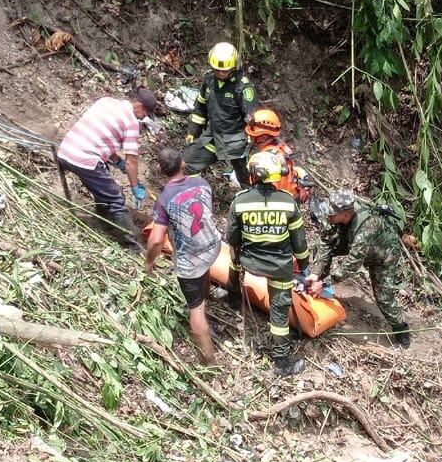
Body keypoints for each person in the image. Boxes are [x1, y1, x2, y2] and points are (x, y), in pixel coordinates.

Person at [227, 151, 310, 377]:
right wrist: (304, 267)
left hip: (249, 262)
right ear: (274, 176)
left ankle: (233, 296)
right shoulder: (288, 202)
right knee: (279, 313)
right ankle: (282, 362)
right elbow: (299, 242)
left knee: (234, 258)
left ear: (252, 175)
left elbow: (232, 239)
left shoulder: (240, 201)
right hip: (279, 267)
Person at [56, 88, 159, 252]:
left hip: (66, 151)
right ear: (138, 106)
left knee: (104, 187)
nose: (142, 118)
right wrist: (134, 186)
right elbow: (132, 160)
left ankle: (103, 221)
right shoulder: (131, 122)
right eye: (144, 113)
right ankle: (133, 246)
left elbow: (100, 136)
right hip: (85, 160)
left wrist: (117, 162)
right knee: (116, 199)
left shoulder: (105, 102)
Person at [145, 149, 220, 365]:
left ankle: (209, 361)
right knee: (202, 272)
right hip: (213, 246)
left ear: (160, 170)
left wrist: (149, 263)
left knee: (195, 310)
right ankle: (207, 299)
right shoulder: (202, 183)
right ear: (183, 164)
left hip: (192, 259)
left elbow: (157, 240)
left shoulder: (164, 199)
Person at [309, 190, 411, 348]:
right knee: (319, 248)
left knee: (384, 297)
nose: (329, 217)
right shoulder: (337, 214)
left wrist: (326, 283)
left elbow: (352, 265)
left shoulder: (366, 227)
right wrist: (316, 274)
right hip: (353, 241)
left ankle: (401, 331)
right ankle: (319, 293)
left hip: (383, 254)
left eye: (332, 214)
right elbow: (325, 243)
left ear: (344, 214)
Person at [183, 42, 258, 188]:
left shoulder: (243, 87)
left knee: (248, 182)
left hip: (236, 141)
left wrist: (250, 141)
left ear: (233, 68)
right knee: (186, 164)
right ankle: (197, 194)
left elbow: (252, 117)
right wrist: (193, 132)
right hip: (213, 137)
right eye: (217, 70)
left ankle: (248, 203)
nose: (220, 73)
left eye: (224, 71)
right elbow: (200, 109)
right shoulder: (209, 80)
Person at [244, 108, 313, 202]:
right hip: (290, 199)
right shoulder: (281, 149)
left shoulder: (265, 159)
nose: (250, 137)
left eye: (252, 134)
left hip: (278, 203)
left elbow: (263, 191)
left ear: (263, 136)